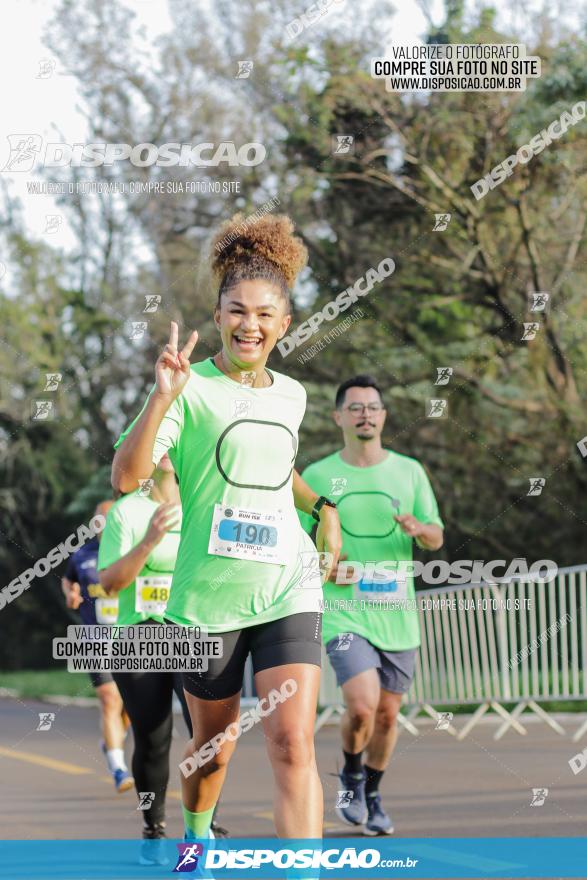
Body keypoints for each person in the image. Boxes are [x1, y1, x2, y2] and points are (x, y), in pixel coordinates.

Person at [110, 212, 342, 842]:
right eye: (237, 310)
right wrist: (161, 396)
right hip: (208, 599)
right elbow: (126, 479)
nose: (251, 324)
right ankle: (196, 832)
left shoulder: (292, 394)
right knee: (212, 749)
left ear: (285, 325)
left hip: (288, 585)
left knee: (293, 742)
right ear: (217, 317)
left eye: (265, 313)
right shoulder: (188, 387)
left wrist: (323, 509)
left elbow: (275, 469)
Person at [298, 375, 444, 835]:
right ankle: (350, 772)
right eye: (356, 407)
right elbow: (298, 544)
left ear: (383, 416)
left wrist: (420, 529)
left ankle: (373, 791)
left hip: (396, 614)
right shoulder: (318, 476)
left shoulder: (409, 471)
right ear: (338, 416)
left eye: (374, 407)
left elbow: (437, 537)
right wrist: (324, 567)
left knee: (387, 715)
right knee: (361, 705)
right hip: (343, 610)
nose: (366, 413)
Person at [98, 456, 201, 864]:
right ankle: (153, 829)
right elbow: (109, 582)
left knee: (207, 735)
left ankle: (203, 827)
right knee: (154, 738)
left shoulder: (199, 500)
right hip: (140, 635)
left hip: (194, 630)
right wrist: (149, 541)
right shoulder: (128, 510)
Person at [61, 499, 133, 793]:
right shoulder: (82, 555)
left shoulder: (131, 550)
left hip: (132, 637)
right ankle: (118, 768)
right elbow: (67, 580)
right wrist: (71, 594)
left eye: (110, 518)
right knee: (109, 699)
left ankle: (110, 742)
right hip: (94, 638)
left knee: (131, 706)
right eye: (99, 520)